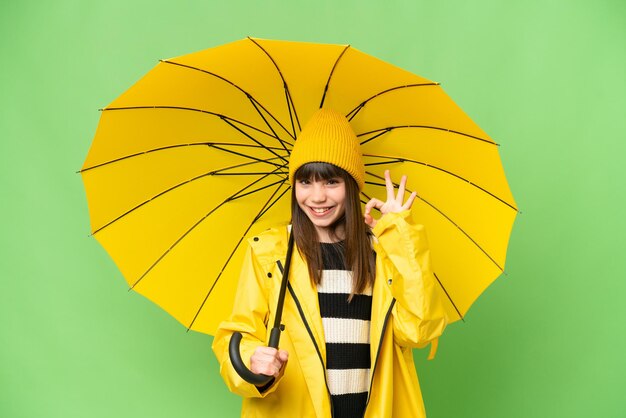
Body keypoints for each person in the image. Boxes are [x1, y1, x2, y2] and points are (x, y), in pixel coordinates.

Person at [212, 109, 448, 418]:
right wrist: (252, 360)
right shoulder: (270, 252)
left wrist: (399, 235)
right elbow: (236, 335)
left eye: (331, 181)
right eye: (305, 181)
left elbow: (419, 331)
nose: (317, 196)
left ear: (352, 186)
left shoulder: (382, 250)